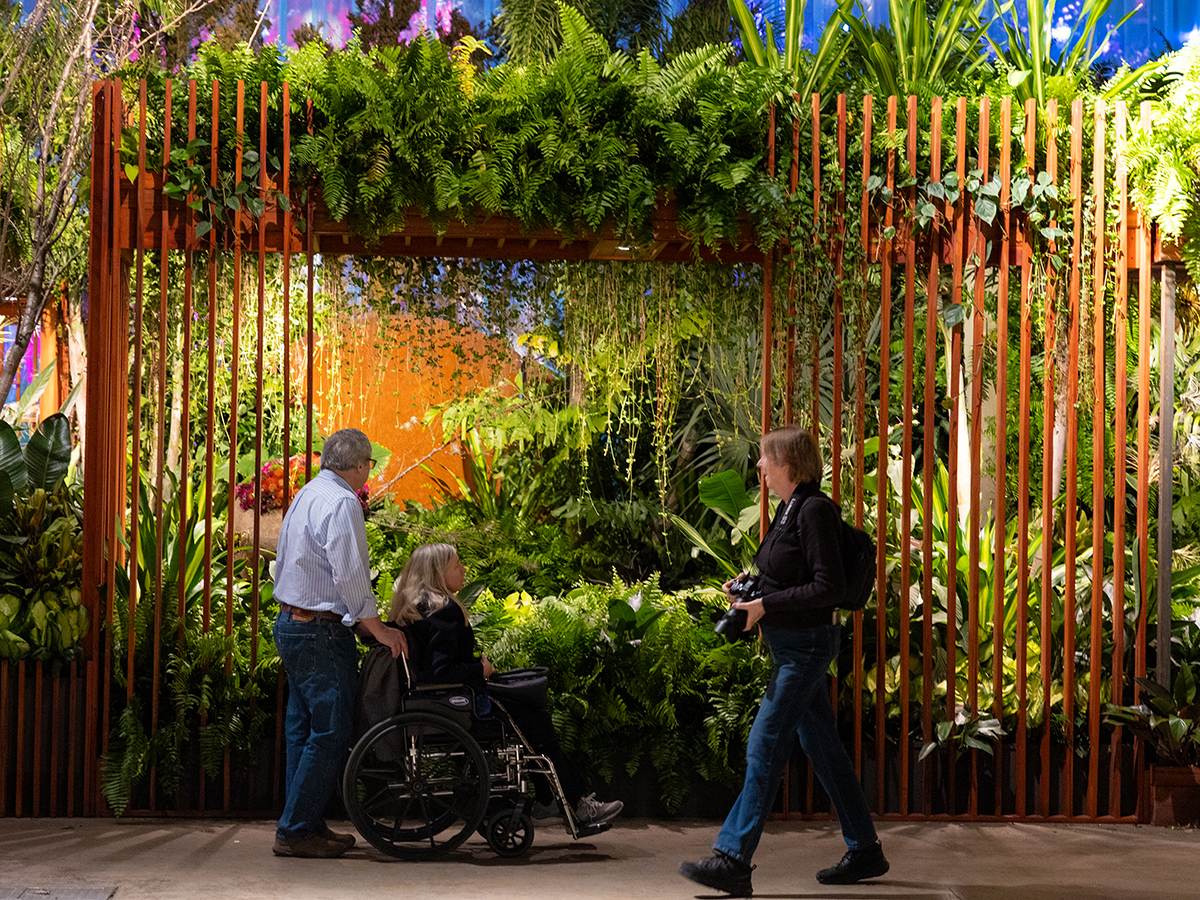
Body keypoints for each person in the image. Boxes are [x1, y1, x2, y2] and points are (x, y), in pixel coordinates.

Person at [679, 424, 888, 895]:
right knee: (826, 752)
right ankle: (866, 851)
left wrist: (766, 606)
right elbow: (789, 574)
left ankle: (732, 859)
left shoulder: (813, 510)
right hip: (793, 647)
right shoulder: (791, 509)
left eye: (765, 459)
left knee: (765, 743)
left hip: (806, 648)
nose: (759, 466)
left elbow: (828, 586)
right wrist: (749, 589)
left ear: (788, 466)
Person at [389, 543, 623, 829]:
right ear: (437, 572)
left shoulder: (415, 608)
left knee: (533, 717)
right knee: (536, 721)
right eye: (456, 565)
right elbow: (440, 671)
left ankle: (555, 799)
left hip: (437, 698)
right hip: (458, 701)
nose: (464, 570)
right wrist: (481, 668)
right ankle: (574, 804)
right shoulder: (443, 611)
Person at [271, 428, 408, 859]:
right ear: (361, 465)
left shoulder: (309, 492)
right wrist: (379, 628)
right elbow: (350, 573)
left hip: (292, 624)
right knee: (331, 732)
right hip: (320, 631)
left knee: (303, 731)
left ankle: (305, 822)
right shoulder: (344, 501)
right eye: (369, 465)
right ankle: (295, 830)